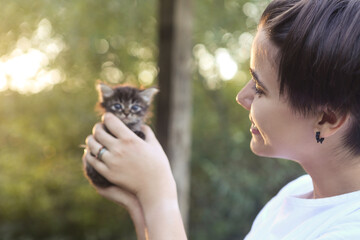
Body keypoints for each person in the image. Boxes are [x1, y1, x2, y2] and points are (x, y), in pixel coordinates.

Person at [82, 0, 360, 239]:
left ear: (326, 117)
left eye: (259, 88)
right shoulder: (294, 195)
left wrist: (160, 199)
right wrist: (140, 202)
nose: (242, 97)